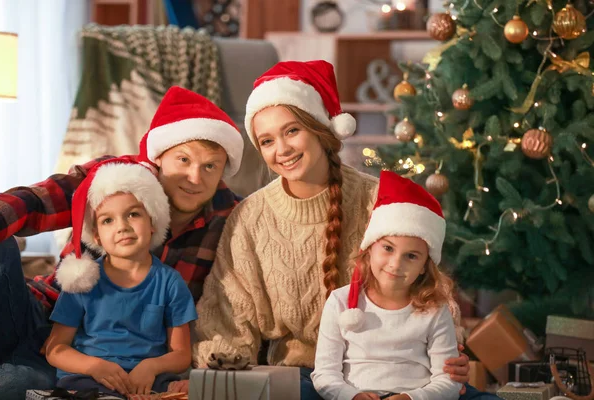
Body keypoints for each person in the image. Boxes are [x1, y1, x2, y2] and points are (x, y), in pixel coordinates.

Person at [191, 60, 471, 400]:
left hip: (397, 372)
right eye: (266, 141)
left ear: (321, 128)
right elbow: (229, 313)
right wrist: (224, 354)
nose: (282, 150)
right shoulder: (250, 218)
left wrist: (449, 350)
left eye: (292, 130)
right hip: (299, 375)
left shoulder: (379, 200)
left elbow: (426, 281)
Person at [0, 86, 244, 399]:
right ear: (159, 157)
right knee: (0, 247)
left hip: (86, 363)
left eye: (210, 166)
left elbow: (233, 311)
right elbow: (35, 201)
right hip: (41, 313)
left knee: (10, 386)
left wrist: (198, 377)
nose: (195, 177)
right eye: (183, 160)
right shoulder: (116, 180)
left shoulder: (233, 219)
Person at [46, 157, 197, 396]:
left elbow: (181, 354)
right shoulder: (83, 280)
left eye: (133, 214)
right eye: (108, 220)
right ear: (96, 236)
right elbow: (55, 349)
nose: (122, 227)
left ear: (152, 222)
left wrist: (151, 366)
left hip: (149, 381)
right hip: (89, 379)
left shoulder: (170, 282)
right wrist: (95, 366)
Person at [311, 171, 462, 400]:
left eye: (411, 256)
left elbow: (448, 380)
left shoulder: (434, 310)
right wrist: (351, 396)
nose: (395, 264)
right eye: (388, 248)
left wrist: (412, 398)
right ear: (370, 247)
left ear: (424, 265)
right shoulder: (341, 302)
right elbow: (325, 374)